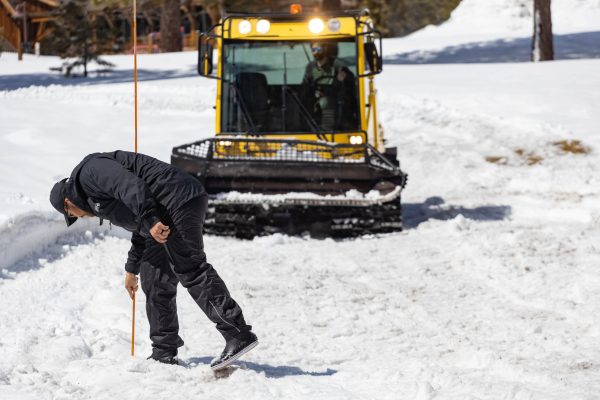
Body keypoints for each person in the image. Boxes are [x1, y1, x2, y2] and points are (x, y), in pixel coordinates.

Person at [49, 150, 257, 370]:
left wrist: (150, 218)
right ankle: (163, 353)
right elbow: (140, 227)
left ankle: (238, 334)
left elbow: (129, 185)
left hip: (177, 199)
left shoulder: (90, 172)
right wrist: (132, 268)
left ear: (67, 202)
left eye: (73, 215)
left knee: (190, 268)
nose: (79, 218)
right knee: (154, 278)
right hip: (162, 211)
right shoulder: (96, 200)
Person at [301, 42, 358, 130]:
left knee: (326, 101)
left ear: (325, 49)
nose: (316, 52)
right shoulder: (311, 67)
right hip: (315, 97)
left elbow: (350, 79)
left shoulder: (336, 64)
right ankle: (304, 129)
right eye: (313, 50)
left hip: (334, 97)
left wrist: (343, 77)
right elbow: (305, 84)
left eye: (318, 49)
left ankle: (327, 130)